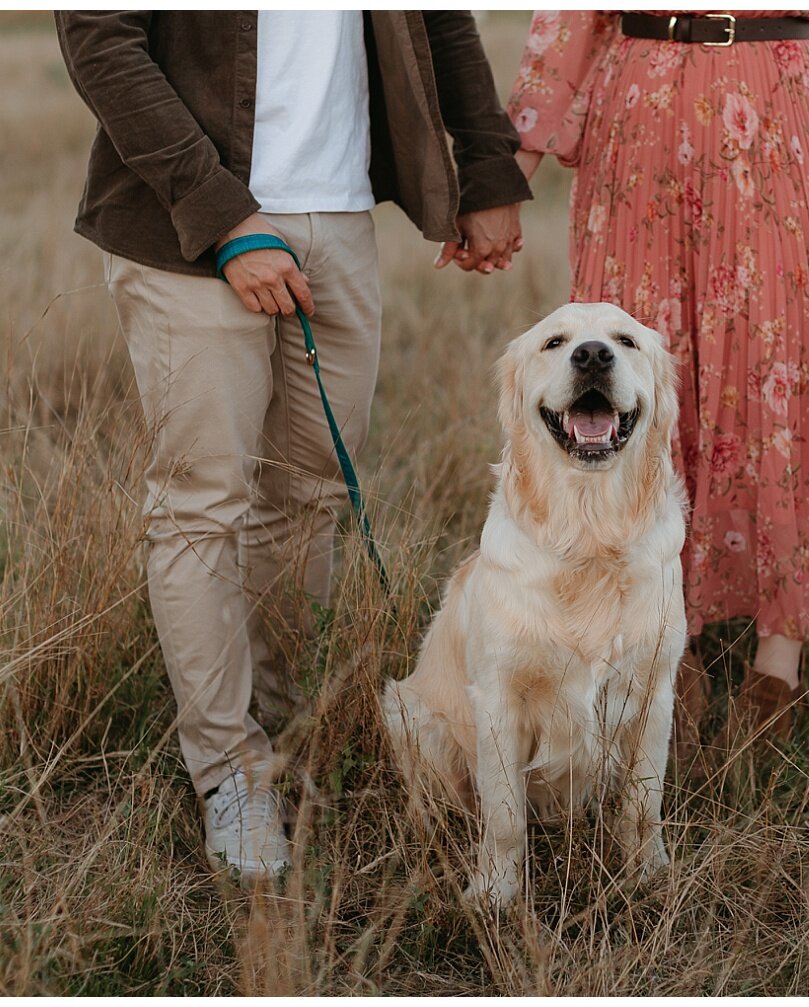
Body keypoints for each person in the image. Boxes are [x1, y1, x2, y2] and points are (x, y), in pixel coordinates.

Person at [56, 11, 531, 880]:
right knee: (203, 506)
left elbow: (439, 22)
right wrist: (224, 217)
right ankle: (231, 777)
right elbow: (100, 43)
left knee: (311, 499)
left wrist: (486, 165)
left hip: (340, 215)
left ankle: (283, 742)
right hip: (190, 224)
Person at [506, 11, 809, 751]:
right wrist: (506, 175)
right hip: (643, 111)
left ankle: (777, 655)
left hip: (779, 102)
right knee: (632, 370)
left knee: (777, 363)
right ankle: (664, 643)